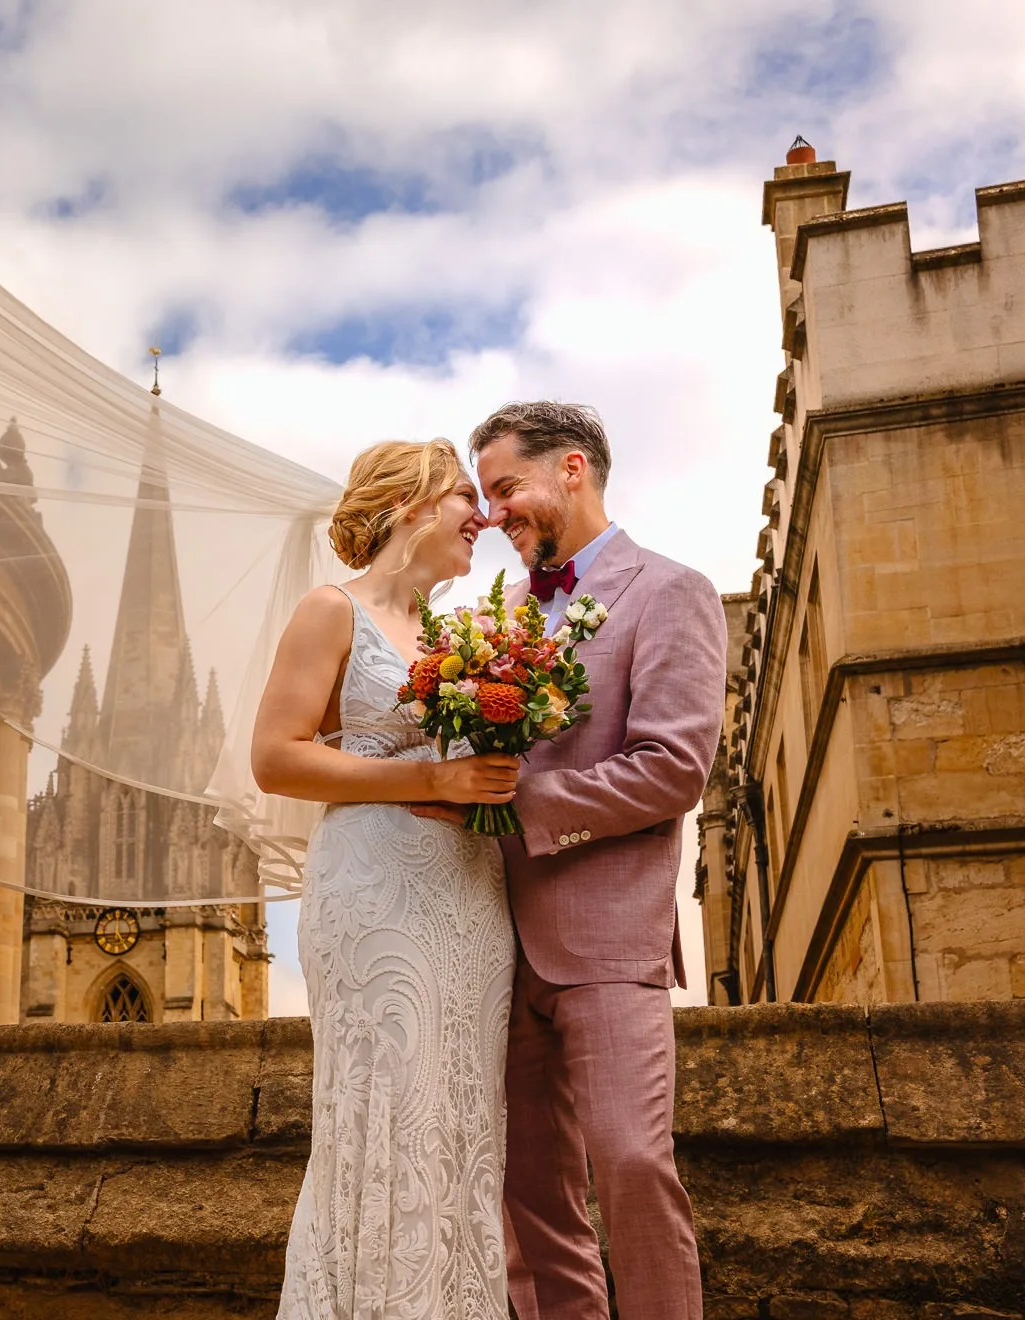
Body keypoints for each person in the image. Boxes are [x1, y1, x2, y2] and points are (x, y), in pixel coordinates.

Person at [428, 401, 725, 1320]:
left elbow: (675, 768)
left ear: (572, 470)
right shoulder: (496, 617)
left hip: (607, 938)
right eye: (483, 496)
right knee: (531, 1198)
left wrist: (525, 804)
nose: (494, 513)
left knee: (633, 1163)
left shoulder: (672, 590)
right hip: (493, 941)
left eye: (506, 488)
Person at [254, 438, 523, 1319]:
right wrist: (429, 778)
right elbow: (276, 758)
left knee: (462, 1119)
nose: (480, 517)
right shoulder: (331, 612)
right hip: (374, 892)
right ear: (410, 507)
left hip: (468, 895)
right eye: (461, 499)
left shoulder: (462, 636)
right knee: (387, 1102)